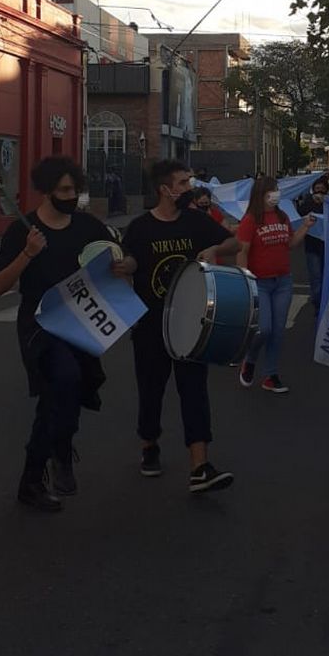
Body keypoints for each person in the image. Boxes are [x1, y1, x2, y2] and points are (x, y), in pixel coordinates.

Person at [0, 156, 123, 513]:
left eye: (74, 190)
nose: (71, 196)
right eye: (64, 190)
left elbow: (116, 257)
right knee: (64, 379)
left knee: (65, 392)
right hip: (40, 326)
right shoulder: (23, 231)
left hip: (80, 322)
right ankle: (58, 456)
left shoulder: (86, 226)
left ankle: (37, 473)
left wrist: (124, 265)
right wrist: (27, 255)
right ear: (47, 191)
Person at [119, 161, 241, 488]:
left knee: (194, 392)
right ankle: (149, 444)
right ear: (165, 189)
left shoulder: (195, 221)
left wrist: (215, 248)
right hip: (150, 327)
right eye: (184, 183)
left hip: (191, 324)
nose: (190, 188)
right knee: (151, 392)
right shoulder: (140, 227)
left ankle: (200, 466)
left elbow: (234, 244)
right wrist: (122, 265)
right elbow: (131, 261)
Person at [237, 175, 316, 394]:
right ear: (261, 194)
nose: (276, 195)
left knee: (278, 331)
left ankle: (271, 375)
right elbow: (242, 251)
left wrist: (306, 227)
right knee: (264, 329)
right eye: (271, 191)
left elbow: (290, 243)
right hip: (259, 282)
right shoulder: (251, 220)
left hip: (282, 281)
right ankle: (250, 360)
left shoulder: (282, 217)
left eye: (276, 190)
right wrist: (246, 279)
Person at [297, 176, 328, 310]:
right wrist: (311, 203)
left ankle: (324, 304)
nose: (319, 192)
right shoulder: (308, 203)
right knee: (315, 278)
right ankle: (317, 303)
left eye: (322, 189)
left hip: (328, 247)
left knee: (326, 277)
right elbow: (300, 214)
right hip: (312, 246)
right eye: (317, 189)